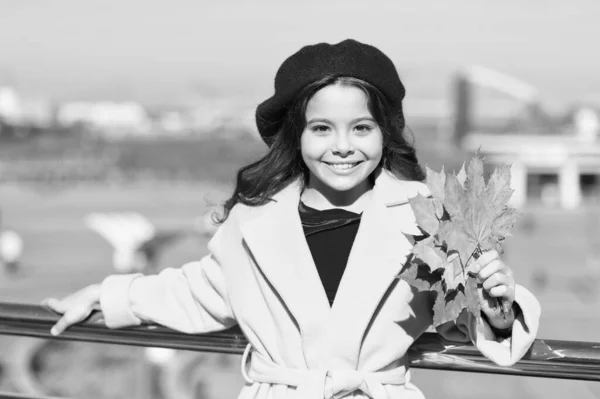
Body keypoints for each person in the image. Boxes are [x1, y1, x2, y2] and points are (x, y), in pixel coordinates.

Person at [42, 39, 541, 399]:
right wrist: (108, 297)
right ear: (296, 137)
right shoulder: (253, 221)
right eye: (322, 128)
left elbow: (464, 313)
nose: (343, 146)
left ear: (384, 134)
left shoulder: (428, 216)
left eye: (362, 127)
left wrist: (499, 310)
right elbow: (198, 291)